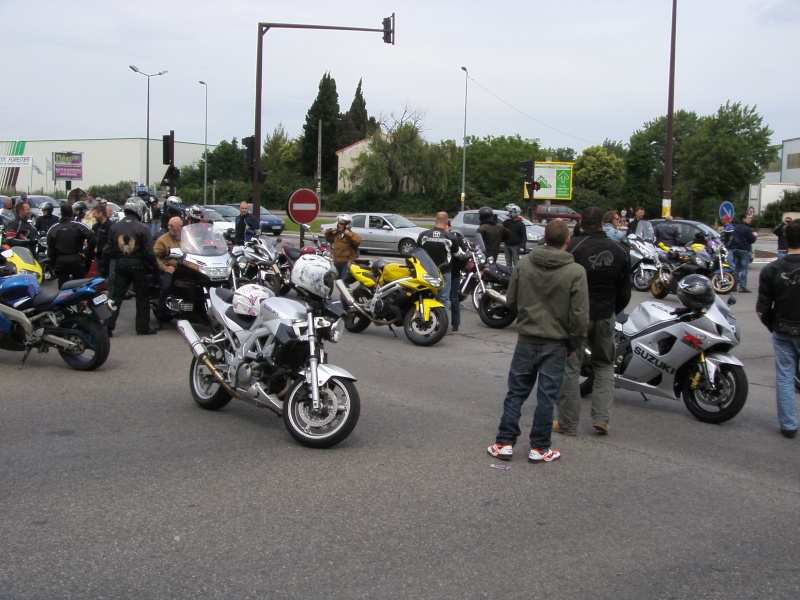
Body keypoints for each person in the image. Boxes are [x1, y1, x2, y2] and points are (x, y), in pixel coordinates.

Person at [487, 219, 589, 463]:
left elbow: (510, 299)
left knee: (516, 392)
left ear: (544, 238)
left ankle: (504, 442)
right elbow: (579, 315)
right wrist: (574, 344)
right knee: (547, 397)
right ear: (567, 240)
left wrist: (525, 315)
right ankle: (540, 448)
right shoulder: (575, 272)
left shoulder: (524, 264)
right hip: (556, 342)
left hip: (527, 338)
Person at [555, 206, 631, 436]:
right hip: (606, 314)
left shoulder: (574, 248)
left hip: (577, 316)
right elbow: (624, 291)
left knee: (570, 367)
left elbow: (561, 284)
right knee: (605, 365)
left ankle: (568, 423)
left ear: (582, 224)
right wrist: (612, 310)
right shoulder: (619, 250)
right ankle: (601, 419)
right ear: (602, 224)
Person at [756, 219, 800, 439]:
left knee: (784, 377)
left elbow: (762, 307)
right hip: (784, 328)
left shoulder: (772, 269)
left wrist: (773, 325)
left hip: (782, 328)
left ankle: (789, 424)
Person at [101, 199, 160, 336]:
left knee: (116, 297)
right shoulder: (143, 228)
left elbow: (106, 251)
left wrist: (104, 269)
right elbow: (149, 253)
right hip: (138, 265)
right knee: (142, 297)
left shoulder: (115, 227)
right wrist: (156, 269)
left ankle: (107, 326)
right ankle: (142, 327)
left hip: (120, 264)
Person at [417, 211, 464, 322]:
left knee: (424, 296)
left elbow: (417, 252)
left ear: (435, 220)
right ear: (447, 222)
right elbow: (458, 255)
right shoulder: (451, 237)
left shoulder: (424, 235)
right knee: (443, 298)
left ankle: (422, 318)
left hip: (426, 271)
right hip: (443, 272)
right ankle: (441, 323)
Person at [46, 203, 95, 289]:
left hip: (60, 261)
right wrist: (87, 255)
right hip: (76, 260)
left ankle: (64, 301)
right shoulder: (78, 226)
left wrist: (52, 265)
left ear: (61, 213)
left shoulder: (54, 228)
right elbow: (92, 238)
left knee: (62, 288)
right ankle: (79, 301)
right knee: (79, 287)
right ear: (72, 213)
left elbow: (50, 248)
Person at [153, 217, 183, 329]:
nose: (170, 227)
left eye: (172, 225)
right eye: (169, 225)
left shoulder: (187, 237)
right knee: (166, 287)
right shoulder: (162, 240)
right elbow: (154, 256)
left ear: (180, 227)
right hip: (171, 269)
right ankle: (160, 318)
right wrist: (165, 268)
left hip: (186, 269)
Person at [324, 214, 362, 280]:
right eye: (338, 224)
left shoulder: (350, 235)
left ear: (347, 225)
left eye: (341, 224)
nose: (339, 225)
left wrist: (349, 233)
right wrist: (330, 230)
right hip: (336, 263)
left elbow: (358, 241)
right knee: (336, 282)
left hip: (346, 264)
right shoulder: (337, 235)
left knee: (344, 283)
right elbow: (327, 238)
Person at [447, 223, 468, 333]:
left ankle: (452, 324)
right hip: (454, 272)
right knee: (453, 299)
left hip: (450, 272)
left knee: (449, 299)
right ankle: (454, 325)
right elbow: (464, 258)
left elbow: (462, 257)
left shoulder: (450, 240)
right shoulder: (455, 240)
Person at [729, 214, 758, 293]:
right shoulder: (747, 228)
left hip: (736, 249)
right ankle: (743, 286)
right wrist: (755, 236)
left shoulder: (737, 227)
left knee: (737, 268)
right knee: (744, 269)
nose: (750, 219)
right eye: (748, 218)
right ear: (743, 218)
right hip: (744, 250)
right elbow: (751, 240)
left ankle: (733, 286)